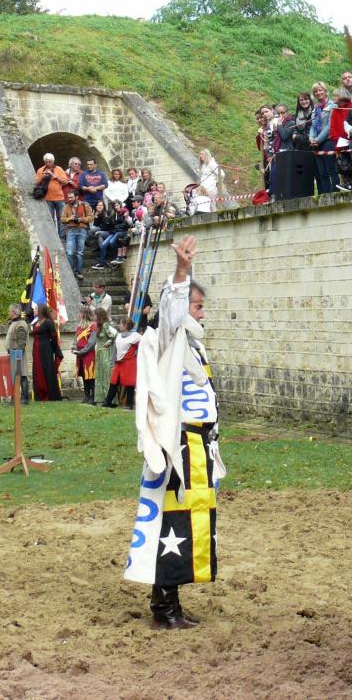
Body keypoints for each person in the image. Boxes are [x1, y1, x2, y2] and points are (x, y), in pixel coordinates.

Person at [123, 236, 225, 630]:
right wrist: (182, 272)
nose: (201, 313)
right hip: (177, 449)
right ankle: (164, 609)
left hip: (199, 449)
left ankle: (172, 602)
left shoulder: (193, 347)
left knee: (187, 527)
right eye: (197, 306)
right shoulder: (167, 338)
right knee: (171, 525)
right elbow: (171, 307)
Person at [308, 82, 338, 194]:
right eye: (316, 91)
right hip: (316, 143)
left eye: (320, 90)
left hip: (328, 141)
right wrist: (311, 138)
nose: (318, 93)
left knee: (332, 170)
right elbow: (313, 125)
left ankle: (335, 191)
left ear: (325, 91)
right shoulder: (315, 109)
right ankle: (326, 193)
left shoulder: (333, 106)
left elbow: (329, 125)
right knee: (322, 172)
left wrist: (318, 139)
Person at [30, 303, 61, 402]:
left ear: (40, 310)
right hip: (36, 349)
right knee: (37, 370)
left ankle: (50, 395)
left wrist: (52, 349)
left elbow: (54, 337)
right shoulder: (35, 323)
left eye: (35, 309)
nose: (34, 310)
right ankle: (39, 395)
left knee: (47, 370)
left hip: (45, 349)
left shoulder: (48, 322)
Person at [35, 154, 70, 240]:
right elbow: (36, 183)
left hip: (59, 198)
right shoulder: (41, 170)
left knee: (61, 218)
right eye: (46, 162)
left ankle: (61, 236)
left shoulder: (59, 169)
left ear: (53, 161)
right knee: (50, 219)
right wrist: (43, 177)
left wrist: (55, 176)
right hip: (47, 198)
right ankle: (53, 237)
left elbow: (65, 182)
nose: (48, 163)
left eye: (50, 162)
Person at [107, 318, 140, 407]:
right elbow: (115, 350)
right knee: (113, 382)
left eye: (121, 324)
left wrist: (136, 354)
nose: (119, 326)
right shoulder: (118, 336)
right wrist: (112, 363)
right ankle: (108, 402)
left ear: (125, 326)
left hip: (129, 363)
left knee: (130, 383)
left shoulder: (136, 336)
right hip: (119, 363)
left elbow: (143, 347)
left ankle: (129, 404)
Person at [61, 189, 93, 279]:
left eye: (71, 197)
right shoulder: (66, 206)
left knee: (79, 252)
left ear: (76, 197)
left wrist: (82, 219)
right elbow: (62, 219)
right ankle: (73, 271)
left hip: (82, 229)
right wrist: (69, 218)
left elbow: (91, 217)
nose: (69, 199)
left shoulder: (84, 205)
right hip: (70, 230)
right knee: (70, 252)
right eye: (69, 197)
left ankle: (79, 272)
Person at [4, 304, 30, 405]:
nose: (8, 313)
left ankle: (24, 399)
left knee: (22, 375)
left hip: (18, 354)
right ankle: (15, 398)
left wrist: (16, 355)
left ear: (14, 312)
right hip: (13, 353)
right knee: (15, 376)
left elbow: (22, 342)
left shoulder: (21, 324)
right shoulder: (15, 323)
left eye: (9, 311)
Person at [72, 307, 97, 405]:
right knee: (83, 375)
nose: (78, 315)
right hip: (80, 355)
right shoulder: (78, 327)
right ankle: (86, 395)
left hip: (88, 354)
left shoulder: (93, 326)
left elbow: (91, 343)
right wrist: (73, 348)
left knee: (90, 375)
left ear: (84, 314)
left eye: (80, 313)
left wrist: (82, 351)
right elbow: (76, 339)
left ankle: (93, 396)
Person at [94, 307, 116, 405]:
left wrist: (110, 341)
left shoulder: (106, 325)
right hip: (99, 354)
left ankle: (110, 399)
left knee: (106, 375)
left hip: (105, 353)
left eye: (95, 315)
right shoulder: (98, 326)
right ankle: (101, 398)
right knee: (100, 376)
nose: (94, 317)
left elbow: (115, 333)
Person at [191, 149, 222, 214]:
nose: (200, 156)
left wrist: (216, 182)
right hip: (203, 189)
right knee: (205, 207)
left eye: (202, 154)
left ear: (206, 155)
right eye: (200, 154)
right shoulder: (204, 165)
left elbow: (222, 174)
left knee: (212, 207)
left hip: (210, 189)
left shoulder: (212, 164)